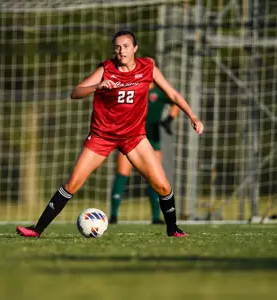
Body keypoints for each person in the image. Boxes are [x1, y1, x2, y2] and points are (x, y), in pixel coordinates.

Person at [16, 30, 203, 238]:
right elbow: (76, 92)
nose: (121, 51)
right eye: (117, 47)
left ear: (135, 48)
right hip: (102, 136)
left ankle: (172, 229)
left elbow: (173, 94)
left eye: (125, 46)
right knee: (72, 183)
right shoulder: (106, 69)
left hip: (133, 136)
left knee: (162, 185)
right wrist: (97, 86)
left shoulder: (148, 68)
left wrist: (193, 117)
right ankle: (37, 229)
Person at [109, 69, 180, 225]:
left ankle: (156, 217)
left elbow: (176, 101)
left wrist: (169, 119)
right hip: (129, 138)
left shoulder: (160, 92)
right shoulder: (133, 87)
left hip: (152, 140)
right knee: (122, 174)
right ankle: (113, 216)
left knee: (154, 178)